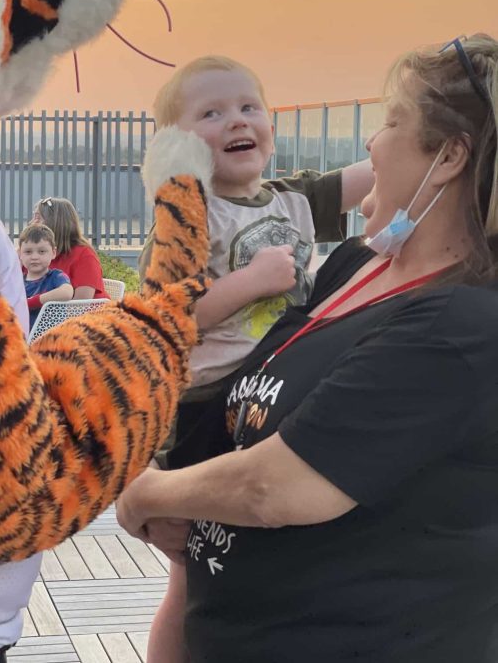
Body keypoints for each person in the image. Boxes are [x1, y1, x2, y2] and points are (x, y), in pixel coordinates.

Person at [117, 34, 498, 663]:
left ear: (451, 157)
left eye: (391, 122)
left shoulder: (458, 326)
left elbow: (277, 488)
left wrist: (146, 494)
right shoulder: (356, 265)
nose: (370, 143)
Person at [133, 54, 374, 663]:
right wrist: (254, 280)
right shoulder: (186, 220)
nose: (236, 120)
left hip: (277, 392)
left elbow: (370, 175)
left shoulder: (292, 200)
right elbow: (171, 318)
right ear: (178, 147)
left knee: (267, 551)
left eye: (248, 107)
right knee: (194, 570)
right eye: (211, 113)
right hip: (208, 405)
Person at [32, 196, 107, 299]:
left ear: (56, 222)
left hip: (88, 314)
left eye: (37, 218)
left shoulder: (84, 255)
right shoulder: (32, 253)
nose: (31, 223)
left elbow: (80, 305)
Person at [18, 223, 74, 328]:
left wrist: (32, 302)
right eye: (28, 252)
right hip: (22, 337)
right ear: (20, 254)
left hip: (52, 338)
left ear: (53, 253)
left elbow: (67, 292)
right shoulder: (17, 281)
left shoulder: (56, 276)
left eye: (42, 251)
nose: (34, 257)